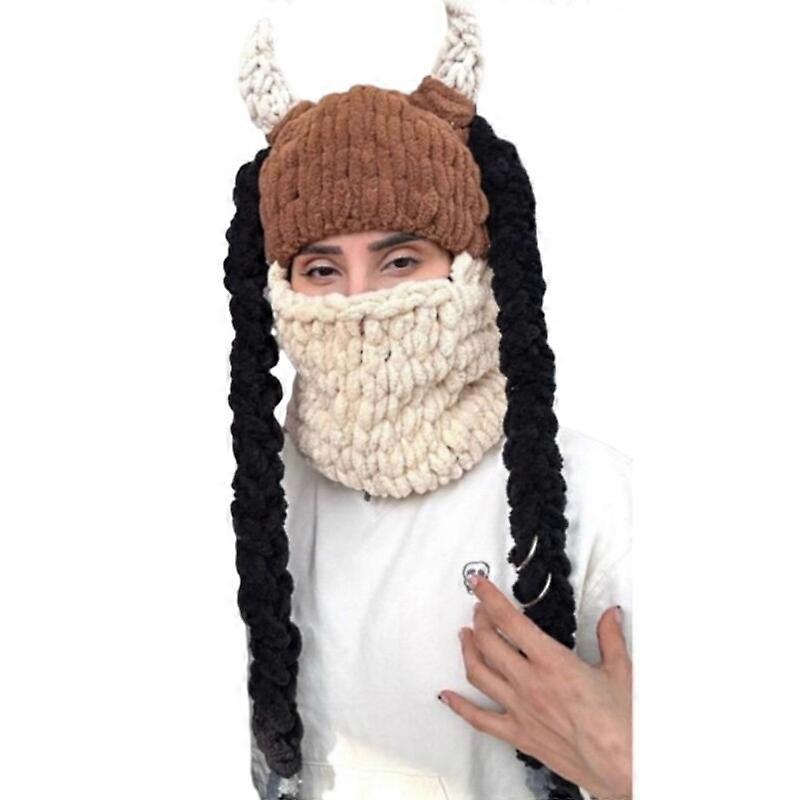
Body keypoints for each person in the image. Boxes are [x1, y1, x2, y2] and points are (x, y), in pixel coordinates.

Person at [223, 3, 632, 799]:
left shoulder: (599, 499)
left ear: (472, 267)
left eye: (401, 260)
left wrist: (625, 762)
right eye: (320, 270)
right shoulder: (253, 506)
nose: (360, 302)